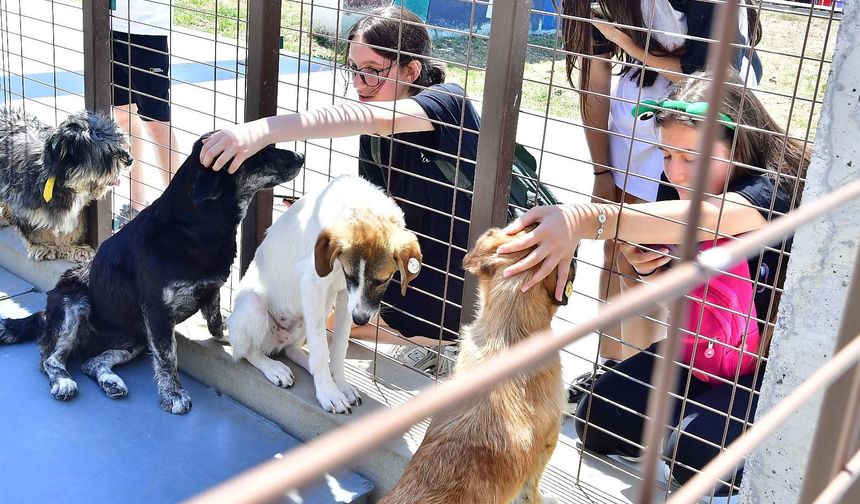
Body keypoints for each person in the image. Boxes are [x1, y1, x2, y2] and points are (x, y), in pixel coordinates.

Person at [499, 69, 809, 498]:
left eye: (692, 158)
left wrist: (588, 219)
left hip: (767, 371)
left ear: (738, 148)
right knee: (596, 418)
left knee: (695, 457)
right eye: (666, 155)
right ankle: (696, 422)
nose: (677, 174)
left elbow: (716, 216)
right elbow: (684, 291)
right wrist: (652, 271)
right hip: (699, 350)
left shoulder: (770, 187)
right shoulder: (678, 184)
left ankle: (715, 436)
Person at [199, 6, 480, 375]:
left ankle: (444, 339)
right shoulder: (376, 135)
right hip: (409, 262)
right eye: (354, 69)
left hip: (468, 271)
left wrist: (260, 132)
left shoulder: (447, 103)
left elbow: (370, 119)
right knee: (326, 302)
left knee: (331, 308)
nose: (360, 83)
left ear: (411, 70)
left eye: (373, 72)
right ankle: (432, 336)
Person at [558, 0, 763, 402]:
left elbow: (716, 79)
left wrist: (627, 44)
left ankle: (642, 383)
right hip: (637, 135)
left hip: (694, 135)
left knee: (659, 267)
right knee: (620, 255)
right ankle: (612, 369)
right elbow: (593, 76)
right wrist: (601, 170)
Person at [111, 0, 181, 224]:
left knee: (156, 123)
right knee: (122, 115)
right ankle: (136, 202)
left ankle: (178, 209)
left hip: (148, 28)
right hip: (109, 23)